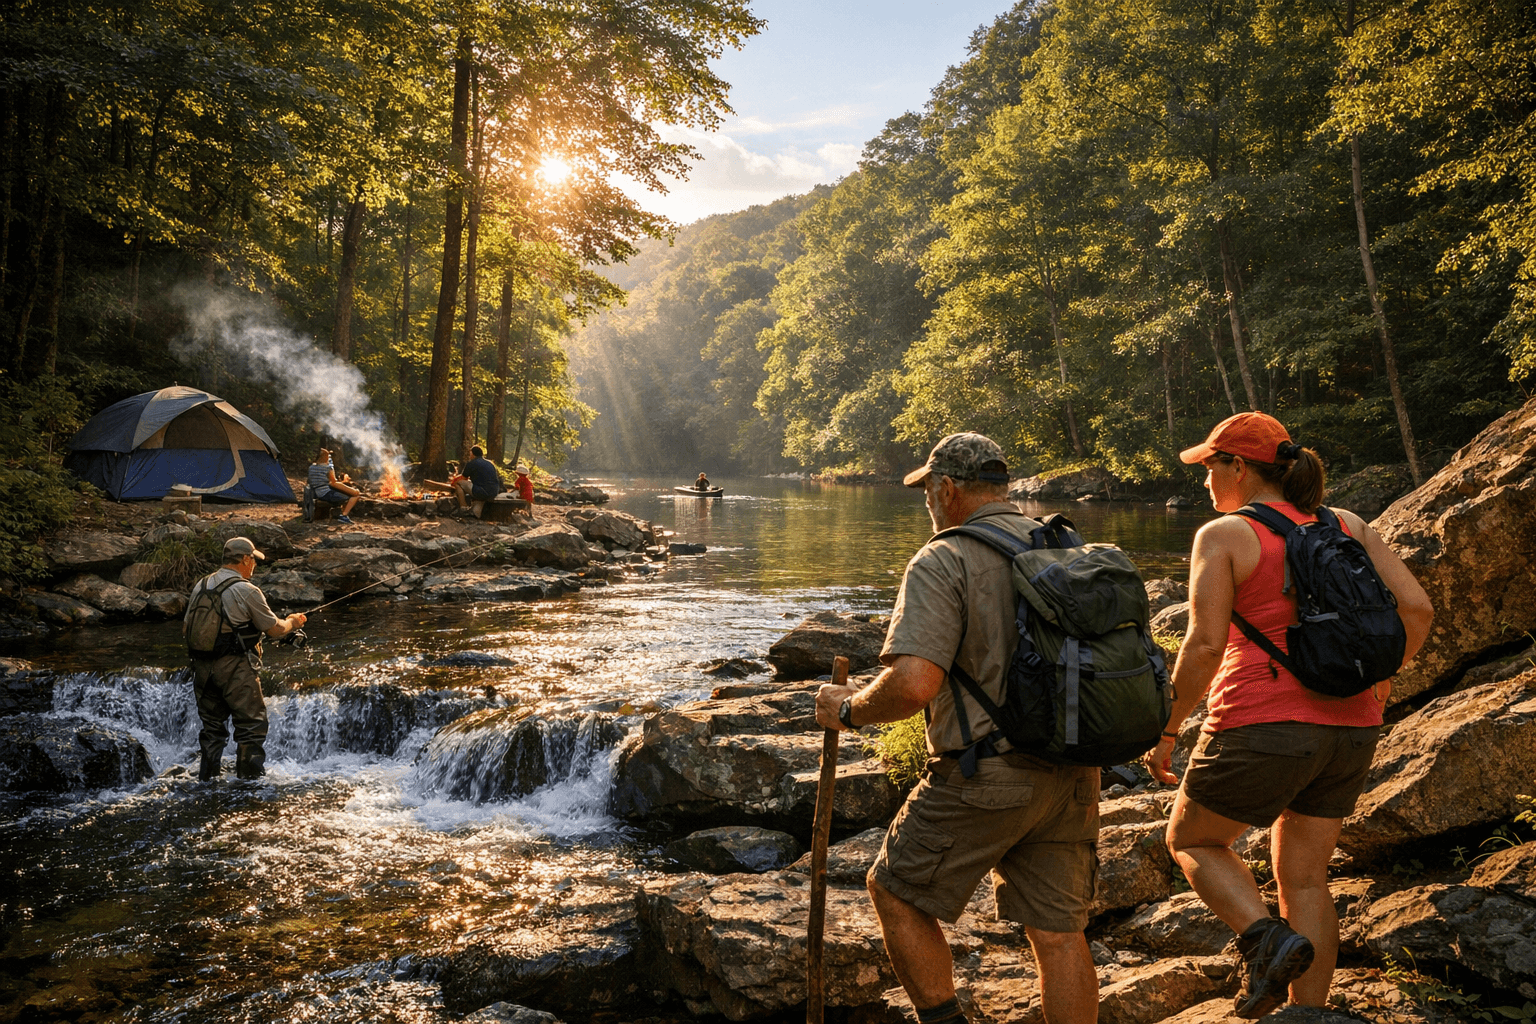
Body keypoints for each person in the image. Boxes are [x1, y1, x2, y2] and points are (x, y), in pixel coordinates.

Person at [1144, 412, 1433, 1019]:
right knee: (1303, 877)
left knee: (1192, 839)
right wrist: (1381, 680)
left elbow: (1204, 645)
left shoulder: (1225, 535)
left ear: (1238, 467)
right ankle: (1308, 1012)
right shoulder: (1347, 524)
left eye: (1209, 467)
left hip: (1261, 721)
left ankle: (1266, 938)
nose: (1204, 480)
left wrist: (1168, 728)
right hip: (1353, 727)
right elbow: (1417, 609)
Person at [816, 432, 1100, 1024]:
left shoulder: (944, 558)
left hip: (987, 774)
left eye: (927, 491)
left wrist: (847, 710)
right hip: (1076, 768)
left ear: (947, 489)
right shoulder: (1064, 545)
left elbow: (914, 683)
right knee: (1059, 935)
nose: (927, 502)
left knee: (895, 890)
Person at [184, 537, 307, 781]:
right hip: (235, 668)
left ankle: (207, 782)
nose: (255, 565)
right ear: (244, 559)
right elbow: (275, 629)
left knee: (212, 730)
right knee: (251, 727)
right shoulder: (246, 590)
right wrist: (293, 622)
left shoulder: (202, 585)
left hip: (201, 668)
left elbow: (187, 626)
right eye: (253, 560)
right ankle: (249, 787)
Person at [307, 447, 360, 523]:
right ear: (323, 457)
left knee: (340, 493)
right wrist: (352, 490)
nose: (328, 458)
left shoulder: (311, 467)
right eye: (327, 456)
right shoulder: (327, 468)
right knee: (353, 496)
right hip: (324, 493)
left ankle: (337, 513)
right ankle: (343, 516)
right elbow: (333, 483)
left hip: (314, 493)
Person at [457, 445, 503, 511]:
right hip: (494, 492)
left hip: (482, 492)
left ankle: (463, 507)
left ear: (472, 454)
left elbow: (463, 478)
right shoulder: (490, 463)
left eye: (470, 454)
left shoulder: (471, 463)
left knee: (458, 484)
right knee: (480, 496)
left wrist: (454, 481)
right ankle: (474, 512)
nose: (469, 456)